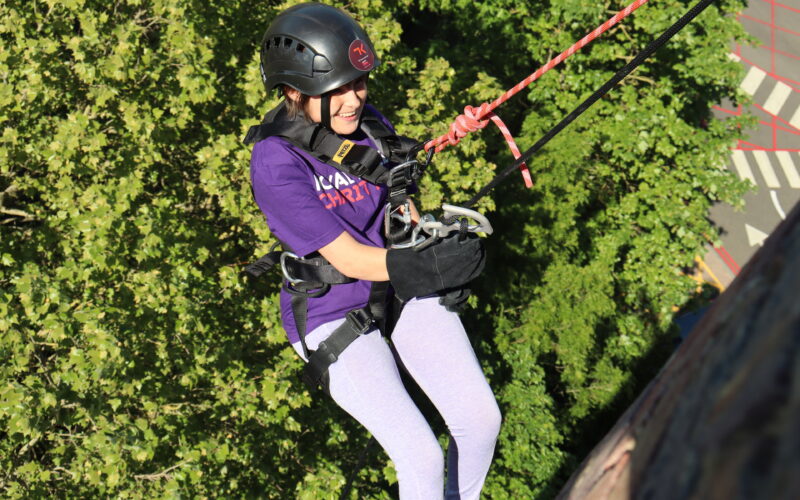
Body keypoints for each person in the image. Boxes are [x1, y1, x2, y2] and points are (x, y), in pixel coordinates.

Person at [246, 3, 501, 499]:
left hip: (395, 283)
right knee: (421, 457)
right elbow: (347, 258)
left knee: (480, 418)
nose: (353, 100)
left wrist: (427, 236)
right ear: (294, 93)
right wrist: (425, 266)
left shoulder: (367, 126)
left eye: (359, 84)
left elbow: (394, 208)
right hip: (330, 310)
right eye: (336, 90)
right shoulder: (275, 164)